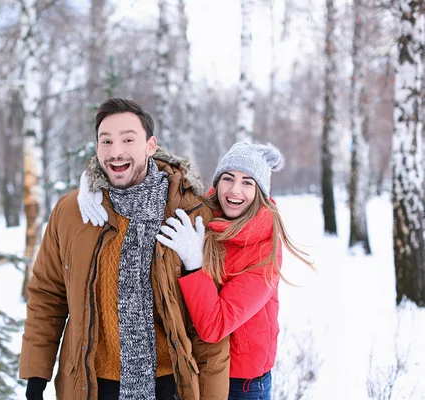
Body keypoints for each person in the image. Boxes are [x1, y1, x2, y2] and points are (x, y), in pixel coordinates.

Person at [19, 97, 230, 400]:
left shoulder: (190, 213)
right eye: (106, 141)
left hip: (169, 385)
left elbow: (209, 324)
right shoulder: (71, 213)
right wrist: (36, 375)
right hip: (89, 386)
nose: (116, 151)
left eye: (128, 139)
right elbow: (47, 297)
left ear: (150, 145)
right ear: (97, 149)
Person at [154, 142, 314, 400]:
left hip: (242, 384)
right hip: (194, 368)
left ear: (260, 192)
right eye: (228, 178)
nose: (235, 190)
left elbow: (214, 326)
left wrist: (195, 263)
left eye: (247, 182)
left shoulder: (265, 249)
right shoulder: (203, 219)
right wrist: (94, 185)